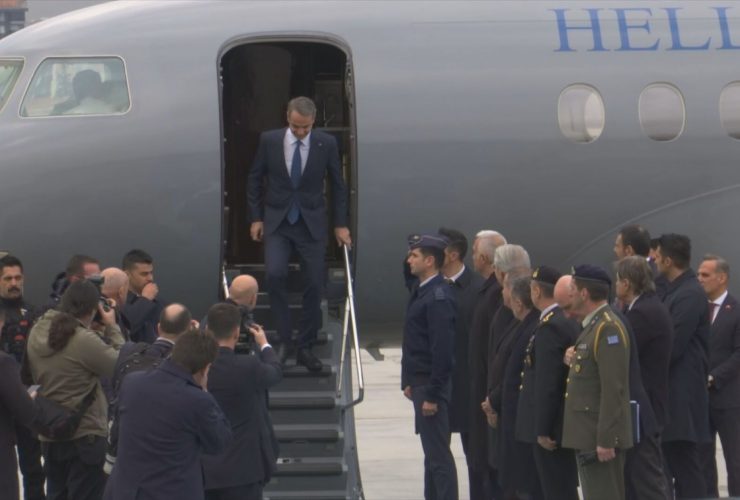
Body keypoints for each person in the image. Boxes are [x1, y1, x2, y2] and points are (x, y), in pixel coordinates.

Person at [247, 96, 350, 372]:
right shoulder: (269, 140)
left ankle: (305, 345)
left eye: (306, 127)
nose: (301, 132)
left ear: (313, 121)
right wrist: (256, 217)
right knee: (275, 275)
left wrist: (340, 224)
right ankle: (283, 340)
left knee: (315, 283)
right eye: (296, 127)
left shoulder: (326, 143)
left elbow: (338, 185)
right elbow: (254, 178)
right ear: (287, 118)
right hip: (278, 221)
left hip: (310, 222)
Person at [104, 329, 232, 500]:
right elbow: (219, 442)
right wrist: (205, 391)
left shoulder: (132, 383)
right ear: (205, 368)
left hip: (125, 492)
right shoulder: (198, 401)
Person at [26, 280, 124, 500]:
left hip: (50, 432)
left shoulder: (38, 329)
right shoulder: (83, 339)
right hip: (85, 435)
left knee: (56, 494)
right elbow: (121, 364)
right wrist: (111, 327)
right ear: (91, 310)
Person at [562, 265, 633, 500]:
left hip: (599, 440)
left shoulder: (607, 328)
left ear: (584, 293)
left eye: (573, 288)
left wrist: (605, 439)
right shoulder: (592, 327)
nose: (569, 293)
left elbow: (613, 388)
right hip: (588, 436)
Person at [201, 303, 283, 500]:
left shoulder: (196, 367)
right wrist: (264, 344)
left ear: (207, 330)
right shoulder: (248, 366)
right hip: (243, 471)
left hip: (203, 472)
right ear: (237, 333)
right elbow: (275, 372)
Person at [105, 304, 195, 474]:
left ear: (158, 328)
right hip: (162, 459)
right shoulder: (185, 367)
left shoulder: (129, 351)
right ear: (189, 330)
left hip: (123, 451)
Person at [401, 234, 458, 500]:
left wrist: (433, 394)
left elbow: (442, 351)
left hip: (430, 387)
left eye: (414, 255)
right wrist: (408, 381)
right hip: (421, 384)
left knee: (438, 457)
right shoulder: (422, 290)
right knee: (432, 456)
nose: (408, 260)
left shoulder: (438, 298)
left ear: (430, 261)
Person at [654, 233, 711, 497]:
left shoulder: (689, 294)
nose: (654, 261)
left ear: (668, 260)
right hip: (672, 393)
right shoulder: (675, 291)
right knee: (675, 461)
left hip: (682, 395)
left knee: (685, 465)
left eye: (657, 257)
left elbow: (672, 344)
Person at [517, 266, 579, 500]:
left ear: (536, 291)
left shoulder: (551, 326)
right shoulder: (562, 320)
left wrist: (542, 429)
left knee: (556, 489)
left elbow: (548, 382)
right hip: (561, 422)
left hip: (551, 427)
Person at [615, 256, 673, 500]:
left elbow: (620, 351)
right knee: (635, 479)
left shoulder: (643, 313)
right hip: (645, 405)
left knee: (646, 480)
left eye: (618, 280)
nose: (616, 285)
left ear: (627, 283)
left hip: (643, 408)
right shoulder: (643, 308)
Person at [436, 227, 484, 497]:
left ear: (453, 255)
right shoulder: (431, 285)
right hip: (439, 386)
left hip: (469, 386)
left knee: (475, 456)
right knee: (436, 456)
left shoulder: (478, 289)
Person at [0, 255, 45, 500]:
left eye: (18, 278)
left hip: (26, 396)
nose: (14, 283)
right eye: (8, 278)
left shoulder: (33, 312)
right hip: (2, 404)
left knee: (34, 470)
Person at [467, 229, 507, 499]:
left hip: (488, 395)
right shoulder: (488, 291)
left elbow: (496, 351)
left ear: (483, 258)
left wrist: (492, 395)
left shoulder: (495, 295)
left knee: (490, 471)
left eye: (474, 253)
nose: (472, 257)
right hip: (482, 393)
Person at [483, 244, 529, 472]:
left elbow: (512, 367)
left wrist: (493, 401)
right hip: (502, 406)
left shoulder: (520, 319)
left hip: (512, 411)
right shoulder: (504, 309)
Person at [697, 254, 740, 497]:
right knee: (703, 459)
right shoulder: (697, 310)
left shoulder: (736, 310)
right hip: (701, 399)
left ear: (721, 278)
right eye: (699, 274)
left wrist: (714, 377)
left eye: (705, 274)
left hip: (728, 399)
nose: (699, 279)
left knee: (735, 460)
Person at [496, 274, 542, 499]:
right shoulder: (523, 326)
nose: (502, 293)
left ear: (518, 302)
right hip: (515, 422)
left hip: (522, 424)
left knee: (526, 486)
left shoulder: (532, 328)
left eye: (506, 289)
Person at [121, 249, 165, 343]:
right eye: (144, 274)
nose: (150, 278)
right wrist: (145, 299)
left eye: (151, 273)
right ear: (127, 275)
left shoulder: (159, 303)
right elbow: (128, 326)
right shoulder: (119, 302)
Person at [613, 225, 668, 299]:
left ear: (628, 250)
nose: (614, 250)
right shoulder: (652, 272)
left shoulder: (653, 279)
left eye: (617, 246)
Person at [101, 267, 131, 338]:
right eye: (127, 291)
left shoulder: (92, 310)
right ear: (121, 292)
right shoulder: (114, 316)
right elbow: (121, 344)